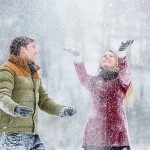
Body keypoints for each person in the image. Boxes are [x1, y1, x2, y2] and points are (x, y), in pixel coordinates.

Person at [0, 36, 77, 150]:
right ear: (23, 50)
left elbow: (44, 101)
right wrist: (14, 108)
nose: (36, 51)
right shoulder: (7, 69)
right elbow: (2, 96)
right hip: (11, 135)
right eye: (33, 47)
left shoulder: (33, 73)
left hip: (32, 136)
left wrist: (62, 110)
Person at [64, 39, 134, 150]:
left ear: (117, 62)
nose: (107, 57)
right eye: (104, 56)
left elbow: (125, 73)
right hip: (95, 135)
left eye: (111, 56)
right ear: (101, 62)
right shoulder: (94, 81)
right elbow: (83, 77)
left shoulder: (121, 81)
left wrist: (122, 53)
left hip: (117, 136)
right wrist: (78, 57)